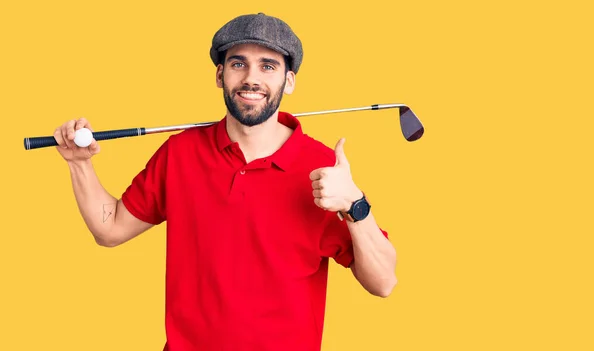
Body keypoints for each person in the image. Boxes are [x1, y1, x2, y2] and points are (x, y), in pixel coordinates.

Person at [53, 12, 397, 351]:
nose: (251, 78)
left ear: (288, 81)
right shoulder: (180, 153)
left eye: (268, 66)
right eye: (238, 64)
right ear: (220, 75)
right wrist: (79, 164)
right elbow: (109, 229)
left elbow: (383, 283)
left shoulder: (323, 170)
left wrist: (354, 204)